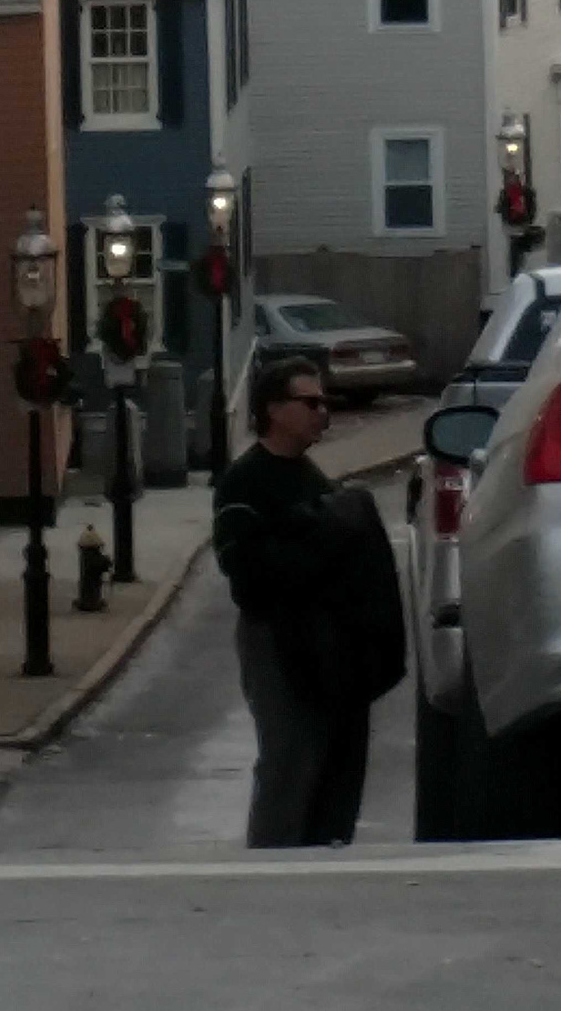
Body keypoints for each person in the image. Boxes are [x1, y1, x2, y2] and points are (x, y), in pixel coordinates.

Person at [212, 353, 403, 848]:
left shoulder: (315, 480)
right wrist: (315, 541)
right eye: (311, 402)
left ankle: (323, 851)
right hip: (275, 637)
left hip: (328, 643)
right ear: (274, 409)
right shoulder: (245, 481)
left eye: (325, 402)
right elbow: (245, 573)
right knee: (289, 758)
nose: (323, 411)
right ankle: (273, 862)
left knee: (335, 759)